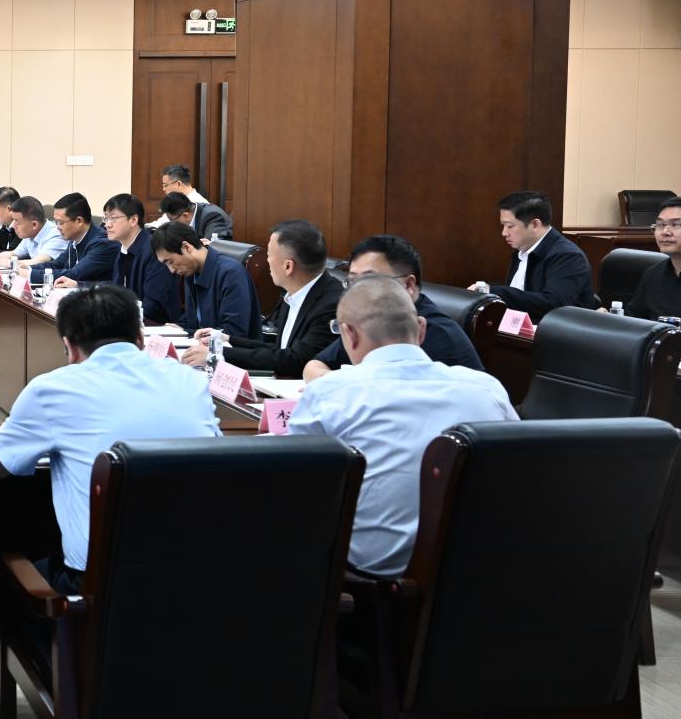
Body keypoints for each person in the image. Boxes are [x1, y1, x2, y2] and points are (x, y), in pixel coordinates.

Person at [0, 285, 219, 589]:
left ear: (69, 347)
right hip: (200, 576)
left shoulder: (53, 389)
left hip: (100, 585)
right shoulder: (190, 380)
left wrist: (11, 425)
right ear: (140, 338)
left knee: (1, 579)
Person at [288, 277, 516, 576]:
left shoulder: (330, 391)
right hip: (476, 569)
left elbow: (297, 489)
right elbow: (514, 472)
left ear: (349, 334)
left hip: (369, 570)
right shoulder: (487, 387)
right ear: (421, 329)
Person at [302, 235, 484, 377]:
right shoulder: (367, 320)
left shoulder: (437, 334)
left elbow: (397, 397)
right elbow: (314, 366)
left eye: (370, 279)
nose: (358, 290)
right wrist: (333, 382)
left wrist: (340, 385)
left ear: (408, 285)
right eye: (352, 281)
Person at [183, 220, 340, 376]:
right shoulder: (295, 293)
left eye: (269, 256)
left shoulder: (331, 305)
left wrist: (218, 356)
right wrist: (227, 339)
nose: (267, 261)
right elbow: (280, 349)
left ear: (288, 266)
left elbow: (295, 360)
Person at [471, 190, 598, 317]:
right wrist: (485, 288)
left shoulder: (568, 256)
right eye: (503, 225)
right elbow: (521, 294)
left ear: (535, 224)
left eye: (509, 226)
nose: (504, 233)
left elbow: (555, 305)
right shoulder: (521, 250)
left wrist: (495, 292)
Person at [66, 194, 177, 322]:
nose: (107, 225)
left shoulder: (154, 251)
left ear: (133, 220)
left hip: (155, 326)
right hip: (131, 320)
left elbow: (152, 307)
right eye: (106, 218)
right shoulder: (124, 248)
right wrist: (78, 285)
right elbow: (116, 287)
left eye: (113, 218)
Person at [153, 221, 262, 338]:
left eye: (170, 262)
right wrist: (177, 328)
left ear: (186, 247)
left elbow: (233, 333)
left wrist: (187, 332)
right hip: (202, 345)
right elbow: (191, 321)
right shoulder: (191, 273)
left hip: (231, 348)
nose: (171, 270)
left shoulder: (231, 273)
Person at [625, 195, 681, 332]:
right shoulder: (653, 273)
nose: (665, 232)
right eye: (660, 225)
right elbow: (633, 322)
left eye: (676, 225)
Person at [30, 193, 114, 285]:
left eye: (60, 222)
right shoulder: (74, 239)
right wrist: (28, 269)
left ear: (79, 221)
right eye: (55, 222)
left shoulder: (102, 243)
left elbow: (74, 274)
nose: (57, 227)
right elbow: (56, 264)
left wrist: (29, 275)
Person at [0, 194, 68, 272]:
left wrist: (8, 262)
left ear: (34, 224)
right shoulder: (30, 233)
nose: (13, 226)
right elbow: (13, 254)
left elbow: (36, 262)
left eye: (17, 221)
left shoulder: (56, 235)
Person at [156, 190, 233, 242]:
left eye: (172, 221)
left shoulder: (212, 216)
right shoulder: (190, 212)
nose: (172, 224)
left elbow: (211, 248)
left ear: (185, 215)